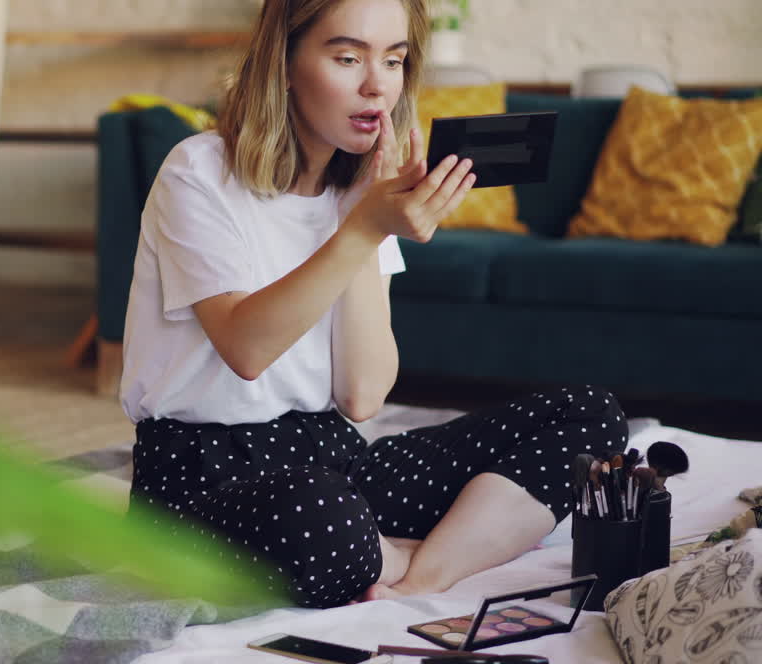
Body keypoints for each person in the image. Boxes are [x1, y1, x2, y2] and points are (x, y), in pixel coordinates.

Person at [118, 0, 627, 608]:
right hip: (204, 473)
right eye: (347, 56)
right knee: (320, 519)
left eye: (393, 60)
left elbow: (362, 396)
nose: (375, 85)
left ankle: (420, 575)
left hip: (332, 454)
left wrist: (363, 216)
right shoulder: (198, 172)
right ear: (283, 62)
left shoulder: (360, 194)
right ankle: (421, 547)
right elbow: (245, 349)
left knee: (590, 415)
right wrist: (361, 228)